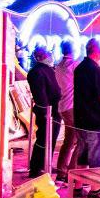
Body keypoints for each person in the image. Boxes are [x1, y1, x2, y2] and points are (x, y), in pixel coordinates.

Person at [68, 38, 100, 197]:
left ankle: (78, 187)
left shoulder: (80, 68)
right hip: (97, 122)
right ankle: (96, 190)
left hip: (82, 119)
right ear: (97, 51)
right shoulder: (95, 71)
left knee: (83, 155)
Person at [25, 46, 61, 178]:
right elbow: (40, 93)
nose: (49, 56)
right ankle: (36, 167)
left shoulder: (47, 69)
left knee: (51, 139)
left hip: (55, 110)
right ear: (39, 57)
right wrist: (45, 111)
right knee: (43, 139)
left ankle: (46, 165)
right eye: (46, 54)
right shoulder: (36, 72)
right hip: (47, 111)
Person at [52, 39, 80, 181]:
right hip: (72, 106)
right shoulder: (73, 65)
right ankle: (72, 172)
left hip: (63, 105)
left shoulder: (59, 65)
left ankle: (61, 171)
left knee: (69, 140)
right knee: (80, 140)